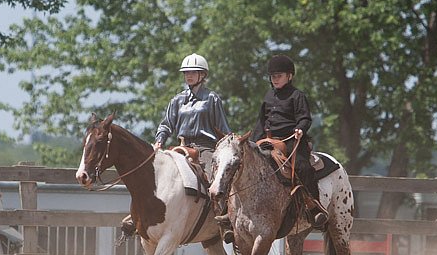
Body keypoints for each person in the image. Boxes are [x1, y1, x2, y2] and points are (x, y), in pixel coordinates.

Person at [121, 53, 232, 238]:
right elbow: (166, 124)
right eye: (186, 72)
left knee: (215, 180)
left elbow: (222, 127)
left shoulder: (212, 98)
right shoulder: (177, 100)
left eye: (193, 72)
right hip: (180, 146)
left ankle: (224, 220)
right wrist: (159, 141)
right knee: (153, 174)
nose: (188, 75)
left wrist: (227, 145)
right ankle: (138, 215)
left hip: (205, 148)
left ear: (202, 75)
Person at [249, 54, 328, 228]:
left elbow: (305, 118)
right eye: (272, 76)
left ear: (289, 76)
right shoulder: (268, 96)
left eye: (279, 76)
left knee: (302, 167)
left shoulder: (297, 95)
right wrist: (253, 142)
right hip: (268, 139)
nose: (275, 79)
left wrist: (300, 128)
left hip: (292, 139)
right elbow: (261, 121)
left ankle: (314, 208)